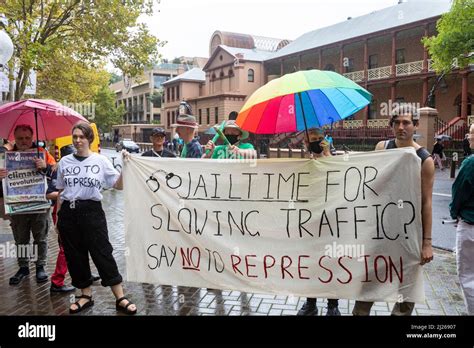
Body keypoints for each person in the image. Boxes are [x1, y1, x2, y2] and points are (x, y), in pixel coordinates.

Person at [353, 104, 434, 316]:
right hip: (380, 230)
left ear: (415, 125)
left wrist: (427, 243)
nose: (401, 127)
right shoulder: (382, 148)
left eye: (406, 122)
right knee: (368, 284)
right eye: (396, 122)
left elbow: (426, 202)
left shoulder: (424, 160)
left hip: (409, 233)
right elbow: (367, 181)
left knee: (406, 292)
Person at [55, 122, 137, 314]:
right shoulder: (64, 162)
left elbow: (118, 186)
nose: (78, 140)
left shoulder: (100, 161)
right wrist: (59, 218)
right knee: (75, 255)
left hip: (92, 211)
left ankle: (120, 297)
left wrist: (125, 167)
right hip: (69, 212)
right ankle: (85, 295)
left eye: (82, 136)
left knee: (103, 253)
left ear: (89, 139)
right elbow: (60, 191)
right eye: (75, 136)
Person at [0, 125, 56, 285]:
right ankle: (23, 267)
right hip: (17, 206)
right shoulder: (5, 156)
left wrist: (45, 167)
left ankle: (40, 267)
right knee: (21, 239)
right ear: (14, 139)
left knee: (41, 238)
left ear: (32, 137)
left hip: (40, 205)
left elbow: (56, 175)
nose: (24, 141)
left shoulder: (42, 153)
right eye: (20, 138)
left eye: (27, 138)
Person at [297, 127, 341, 316]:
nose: (317, 141)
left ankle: (333, 305)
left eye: (320, 138)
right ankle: (311, 302)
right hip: (311, 222)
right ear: (306, 143)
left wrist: (327, 154)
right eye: (313, 139)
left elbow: (339, 180)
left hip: (331, 220)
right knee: (312, 263)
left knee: (331, 262)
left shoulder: (334, 158)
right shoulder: (303, 163)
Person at [449, 123, 474, 315]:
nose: (468, 137)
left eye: (471, 134)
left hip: (470, 225)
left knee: (469, 277)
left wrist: (454, 213)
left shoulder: (470, 163)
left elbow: (458, 194)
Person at [47, 145, 76, 293]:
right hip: (61, 211)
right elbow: (49, 193)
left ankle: (82, 274)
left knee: (80, 244)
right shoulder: (57, 169)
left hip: (75, 211)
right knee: (65, 248)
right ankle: (57, 282)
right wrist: (65, 193)